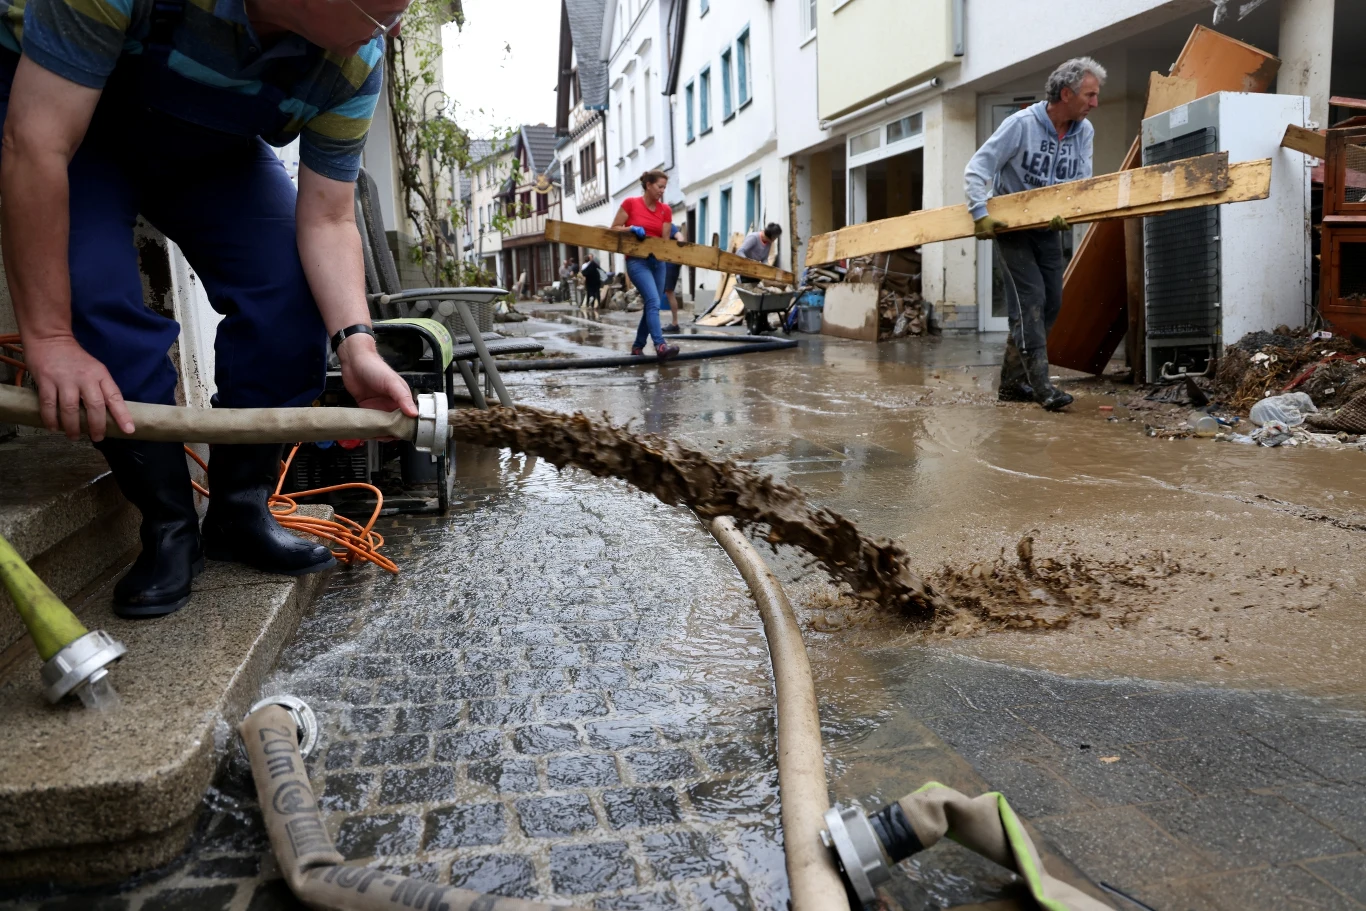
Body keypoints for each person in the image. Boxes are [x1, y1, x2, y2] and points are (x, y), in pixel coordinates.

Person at [0, 0, 418, 619]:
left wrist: (356, 345)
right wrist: (51, 336)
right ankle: (168, 524)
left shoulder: (357, 63)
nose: (395, 27)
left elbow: (329, 217)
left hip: (210, 149)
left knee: (291, 295)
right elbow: (34, 145)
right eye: (380, 12)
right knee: (98, 316)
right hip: (68, 128)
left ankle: (238, 508)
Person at [965, 56, 1104, 411]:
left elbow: (1081, 184)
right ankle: (1042, 387)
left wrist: (1071, 212)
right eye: (1089, 95)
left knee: (1052, 302)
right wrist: (980, 213)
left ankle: (1011, 386)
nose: (1094, 103)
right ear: (1065, 93)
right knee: (1030, 301)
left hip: (1047, 229)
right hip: (1011, 229)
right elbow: (979, 167)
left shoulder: (1084, 132)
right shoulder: (1021, 125)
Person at [611, 169, 680, 360]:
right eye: (659, 186)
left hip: (657, 262)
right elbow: (614, 229)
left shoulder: (665, 210)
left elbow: (664, 241)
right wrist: (631, 229)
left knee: (652, 304)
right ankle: (660, 346)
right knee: (653, 301)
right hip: (636, 261)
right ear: (648, 185)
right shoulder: (630, 204)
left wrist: (659, 254)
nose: (662, 191)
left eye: (664, 187)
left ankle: (637, 347)